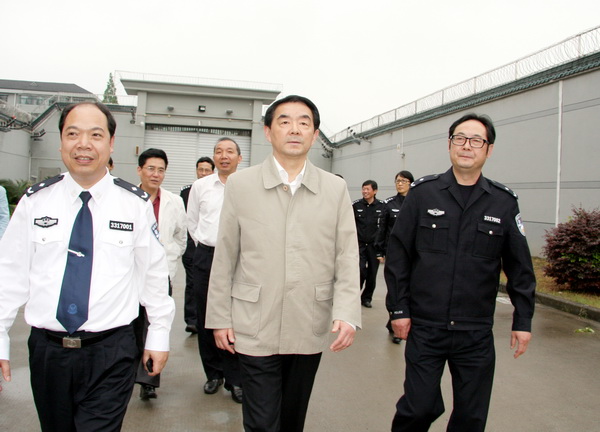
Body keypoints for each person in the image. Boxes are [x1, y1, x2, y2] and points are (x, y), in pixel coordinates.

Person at [0, 102, 175, 431]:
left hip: (112, 351)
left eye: (95, 135)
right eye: (73, 134)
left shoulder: (133, 205)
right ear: (61, 142)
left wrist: (158, 334)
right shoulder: (35, 202)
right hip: (48, 352)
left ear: (111, 143)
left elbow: (153, 276)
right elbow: (9, 275)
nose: (83, 144)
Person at [206, 95, 361, 432]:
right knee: (262, 422)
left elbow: (347, 254)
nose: (294, 129)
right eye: (285, 121)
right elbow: (226, 255)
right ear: (268, 131)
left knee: (292, 418)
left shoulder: (334, 188)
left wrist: (347, 311)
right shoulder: (241, 185)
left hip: (309, 318)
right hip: (253, 320)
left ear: (315, 135)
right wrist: (219, 317)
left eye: (304, 123)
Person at [384, 113, 536, 432]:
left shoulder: (503, 202)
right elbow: (398, 255)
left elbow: (520, 267)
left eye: (476, 140)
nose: (467, 146)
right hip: (426, 326)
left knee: (471, 417)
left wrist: (523, 321)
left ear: (489, 150)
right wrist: (398, 309)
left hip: (475, 331)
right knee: (418, 408)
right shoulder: (423, 194)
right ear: (449, 144)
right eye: (460, 138)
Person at [186, 139, 243, 404]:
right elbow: (192, 221)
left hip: (239, 258)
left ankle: (236, 379)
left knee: (236, 318)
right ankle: (213, 373)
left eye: (229, 151)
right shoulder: (200, 186)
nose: (223, 156)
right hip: (207, 255)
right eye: (218, 152)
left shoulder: (247, 185)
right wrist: (206, 244)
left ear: (239, 158)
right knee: (206, 316)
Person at [134, 148, 187, 400]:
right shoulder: (127, 197)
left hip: (162, 272)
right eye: (151, 169)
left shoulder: (174, 201)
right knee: (130, 325)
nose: (156, 174)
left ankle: (148, 380)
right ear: (140, 170)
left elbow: (181, 235)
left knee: (154, 324)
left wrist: (171, 256)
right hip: (130, 274)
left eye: (161, 170)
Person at [180, 156, 215, 334]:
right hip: (193, 246)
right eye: (200, 169)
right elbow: (188, 220)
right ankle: (192, 320)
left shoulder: (218, 190)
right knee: (192, 283)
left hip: (209, 247)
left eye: (206, 170)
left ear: (212, 172)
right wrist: (196, 242)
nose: (203, 173)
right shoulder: (187, 191)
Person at [381, 170, 414, 344]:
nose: (400, 184)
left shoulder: (416, 202)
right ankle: (395, 321)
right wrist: (379, 251)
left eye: (403, 181)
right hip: (393, 254)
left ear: (410, 183)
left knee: (409, 288)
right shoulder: (389, 204)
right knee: (394, 287)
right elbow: (382, 229)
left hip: (412, 254)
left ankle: (396, 319)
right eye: (397, 181)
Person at [353, 180, 387, 308]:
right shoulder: (356, 206)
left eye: (367, 189)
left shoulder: (382, 207)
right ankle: (354, 296)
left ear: (375, 191)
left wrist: (382, 248)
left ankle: (366, 298)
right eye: (363, 189)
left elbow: (384, 227)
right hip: (360, 245)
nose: (365, 191)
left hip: (374, 246)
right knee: (360, 271)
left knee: (372, 274)